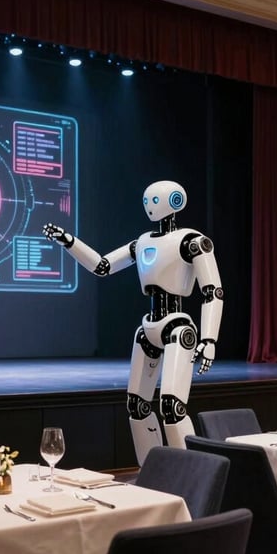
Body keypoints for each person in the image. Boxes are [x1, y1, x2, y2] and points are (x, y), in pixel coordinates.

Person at [43, 180, 223, 465]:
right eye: (146, 201)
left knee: (172, 407)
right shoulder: (142, 242)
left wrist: (209, 339)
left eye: (154, 200)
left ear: (175, 201)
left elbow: (212, 291)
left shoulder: (192, 241)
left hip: (178, 327)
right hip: (148, 328)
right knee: (137, 406)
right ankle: (152, 471)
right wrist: (70, 242)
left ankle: (191, 476)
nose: (149, 206)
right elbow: (102, 266)